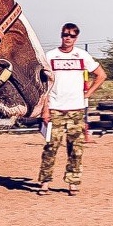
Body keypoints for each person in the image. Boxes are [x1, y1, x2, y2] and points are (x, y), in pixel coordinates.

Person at [36, 22, 106, 196]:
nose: (67, 38)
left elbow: (101, 75)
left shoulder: (82, 55)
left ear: (76, 38)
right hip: (55, 110)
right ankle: (45, 182)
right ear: (61, 35)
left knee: (76, 148)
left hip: (76, 110)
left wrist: (87, 94)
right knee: (51, 147)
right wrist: (45, 109)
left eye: (71, 35)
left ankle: (73, 183)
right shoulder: (50, 56)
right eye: (65, 34)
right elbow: (43, 85)